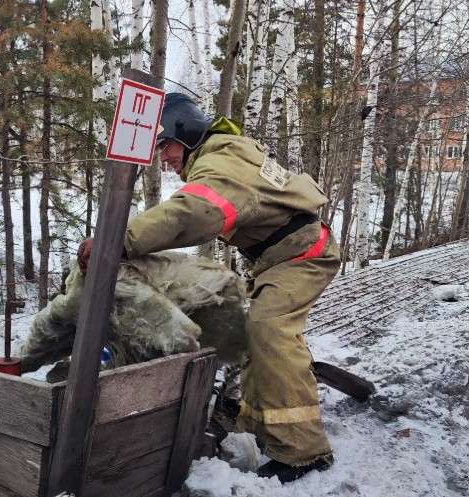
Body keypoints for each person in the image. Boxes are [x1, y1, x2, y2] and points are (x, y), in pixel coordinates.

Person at [77, 93, 340, 483]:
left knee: (270, 331)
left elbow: (192, 213)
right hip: (280, 258)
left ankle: (304, 452)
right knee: (254, 336)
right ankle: (260, 426)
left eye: (164, 145)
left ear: (185, 134)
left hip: (300, 257)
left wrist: (121, 239)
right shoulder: (224, 153)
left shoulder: (221, 165)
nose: (162, 157)